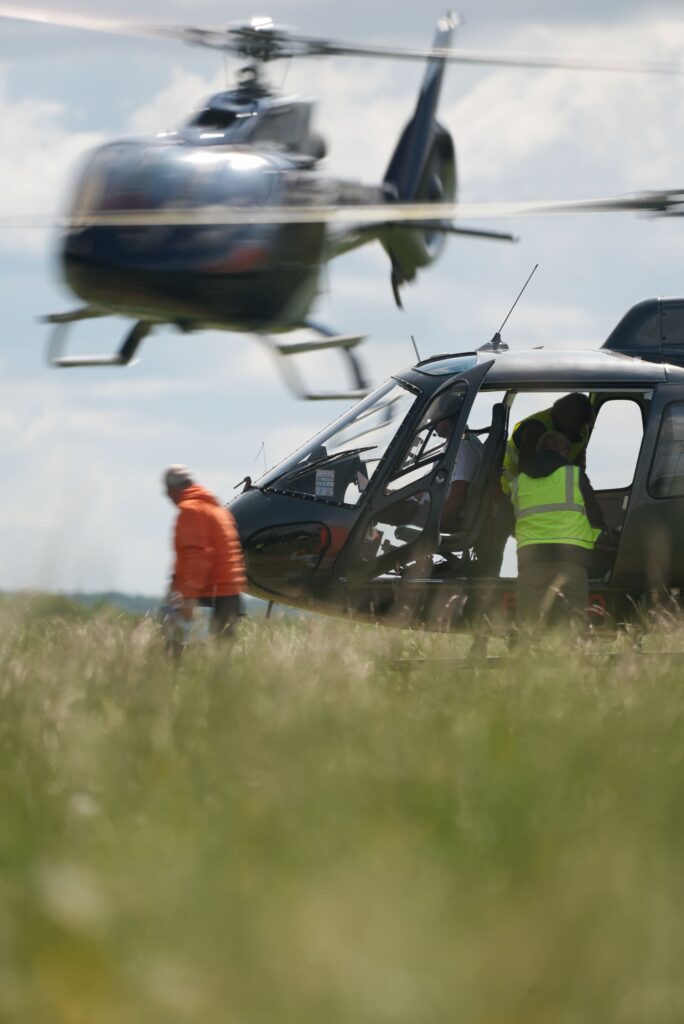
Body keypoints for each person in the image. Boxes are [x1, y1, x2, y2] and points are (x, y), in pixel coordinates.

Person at [490, 393, 595, 576]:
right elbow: (529, 469)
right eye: (573, 422)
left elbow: (579, 467)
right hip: (508, 492)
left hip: (544, 498)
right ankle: (487, 580)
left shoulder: (580, 431)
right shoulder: (535, 428)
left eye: (580, 424)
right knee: (495, 546)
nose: (576, 429)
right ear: (559, 414)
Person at [512, 430, 605, 631]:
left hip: (531, 561)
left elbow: (514, 519)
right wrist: (600, 540)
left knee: (528, 626)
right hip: (571, 559)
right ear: (565, 451)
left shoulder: (519, 481)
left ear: (540, 450)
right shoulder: (575, 475)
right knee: (573, 625)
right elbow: (595, 517)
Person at [163, 465, 246, 638]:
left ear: (173, 490)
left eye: (168, 491)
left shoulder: (191, 510)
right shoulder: (218, 510)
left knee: (180, 648)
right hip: (231, 596)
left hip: (208, 597)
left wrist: (189, 597)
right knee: (221, 652)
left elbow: (197, 556)